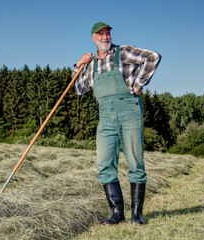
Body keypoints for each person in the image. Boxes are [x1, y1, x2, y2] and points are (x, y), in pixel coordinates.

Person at [72, 22, 161, 225]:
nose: (105, 37)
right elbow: (78, 89)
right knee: (104, 164)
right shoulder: (92, 64)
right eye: (100, 34)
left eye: (107, 33)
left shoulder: (123, 52)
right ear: (93, 38)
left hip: (129, 110)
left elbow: (153, 57)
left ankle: (136, 214)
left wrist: (138, 85)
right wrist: (78, 66)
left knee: (135, 162)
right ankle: (116, 212)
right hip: (105, 116)